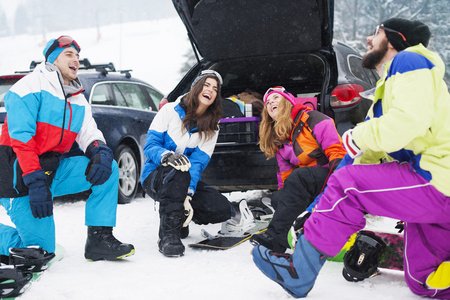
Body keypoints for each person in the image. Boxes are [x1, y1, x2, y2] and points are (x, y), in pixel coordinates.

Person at [252, 18, 450, 299]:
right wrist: (317, 211)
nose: (369, 40)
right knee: (424, 280)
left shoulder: (410, 59)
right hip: (434, 191)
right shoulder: (391, 89)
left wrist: (356, 137)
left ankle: (299, 272)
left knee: (349, 184)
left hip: (438, 177)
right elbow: (362, 157)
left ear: (393, 40)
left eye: (376, 34)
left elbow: (408, 122)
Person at [0, 36, 135, 263]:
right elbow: (21, 140)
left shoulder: (77, 97)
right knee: (39, 252)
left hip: (52, 171)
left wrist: (100, 151)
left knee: (108, 168)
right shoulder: (28, 87)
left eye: (77, 56)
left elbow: (89, 132)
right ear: (53, 59)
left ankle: (99, 240)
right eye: (69, 54)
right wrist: (35, 183)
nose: (76, 60)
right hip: (19, 177)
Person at [141, 70, 234, 257]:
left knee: (222, 209)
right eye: (206, 85)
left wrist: (188, 195)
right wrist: (167, 157)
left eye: (215, 89)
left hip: (185, 181)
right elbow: (150, 145)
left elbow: (198, 163)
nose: (210, 90)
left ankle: (180, 216)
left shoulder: (212, 127)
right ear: (196, 87)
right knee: (178, 172)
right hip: (155, 177)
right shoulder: (169, 111)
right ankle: (168, 235)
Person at [250, 87, 347, 252]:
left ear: (288, 102)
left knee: (300, 176)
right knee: (279, 198)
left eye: (275, 98)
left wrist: (336, 191)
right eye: (267, 102)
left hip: (333, 179)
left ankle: (276, 238)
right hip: (306, 184)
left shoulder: (313, 119)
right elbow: (285, 177)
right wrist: (283, 200)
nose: (271, 102)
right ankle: (299, 232)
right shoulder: (279, 139)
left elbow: (337, 154)